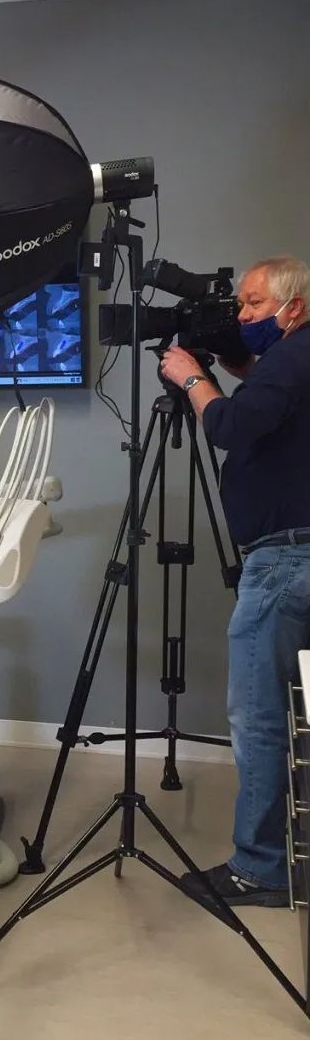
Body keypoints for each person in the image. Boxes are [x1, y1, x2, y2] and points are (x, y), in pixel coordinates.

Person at [160, 254, 310, 909]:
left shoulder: (295, 354)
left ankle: (258, 868)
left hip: (283, 562)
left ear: (293, 307)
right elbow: (271, 410)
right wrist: (234, 367)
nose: (242, 315)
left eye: (252, 305)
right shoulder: (292, 360)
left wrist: (190, 376)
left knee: (257, 715)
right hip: (294, 555)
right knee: (299, 718)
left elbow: (230, 425)